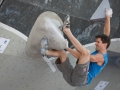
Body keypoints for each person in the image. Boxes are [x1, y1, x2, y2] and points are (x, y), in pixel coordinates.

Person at [40, 8, 113, 86]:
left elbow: (81, 56)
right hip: (72, 78)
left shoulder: (101, 57)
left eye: (98, 42)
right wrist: (108, 16)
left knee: (86, 53)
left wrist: (69, 47)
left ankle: (67, 31)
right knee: (62, 54)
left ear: (105, 45)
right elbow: (106, 33)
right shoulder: (104, 46)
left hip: (81, 79)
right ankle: (45, 52)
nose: (96, 43)